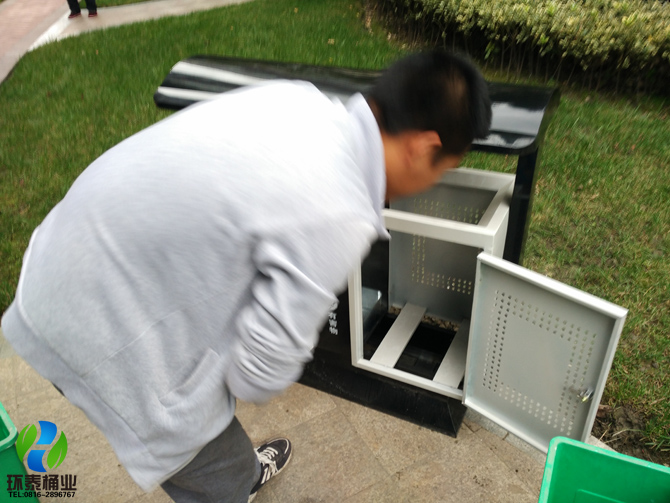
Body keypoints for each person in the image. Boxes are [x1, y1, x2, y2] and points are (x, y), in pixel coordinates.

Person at [1, 50, 491, 503]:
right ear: (424, 147)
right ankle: (238, 484)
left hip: (56, 257)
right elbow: (255, 377)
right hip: (96, 325)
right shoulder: (337, 208)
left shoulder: (299, 100)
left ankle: (240, 472)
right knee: (207, 458)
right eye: (445, 168)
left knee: (214, 440)